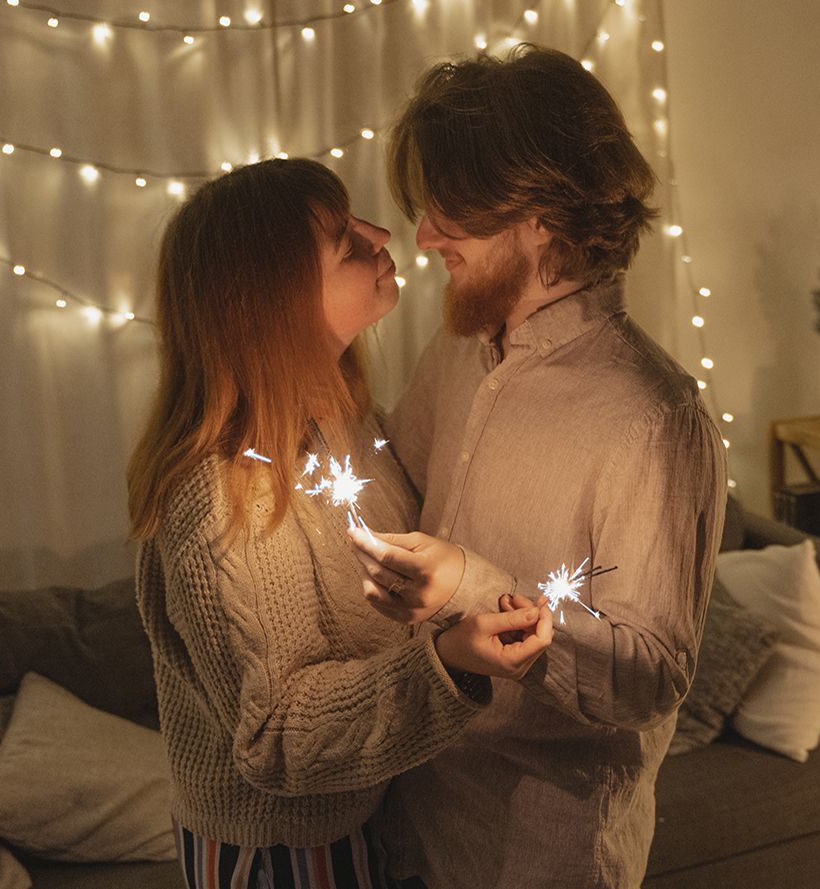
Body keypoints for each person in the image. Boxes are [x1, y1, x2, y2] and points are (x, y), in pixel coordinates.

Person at [349, 45, 728, 889]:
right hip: (413, 813)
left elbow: (650, 676)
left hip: (542, 854)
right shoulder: (458, 345)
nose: (424, 235)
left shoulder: (653, 418)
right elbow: (398, 479)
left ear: (541, 213)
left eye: (450, 208)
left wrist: (471, 589)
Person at [126, 158, 554, 889]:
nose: (383, 233)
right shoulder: (224, 499)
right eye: (344, 240)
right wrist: (447, 661)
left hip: (370, 819)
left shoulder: (343, 424)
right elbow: (274, 736)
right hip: (285, 855)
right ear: (273, 298)